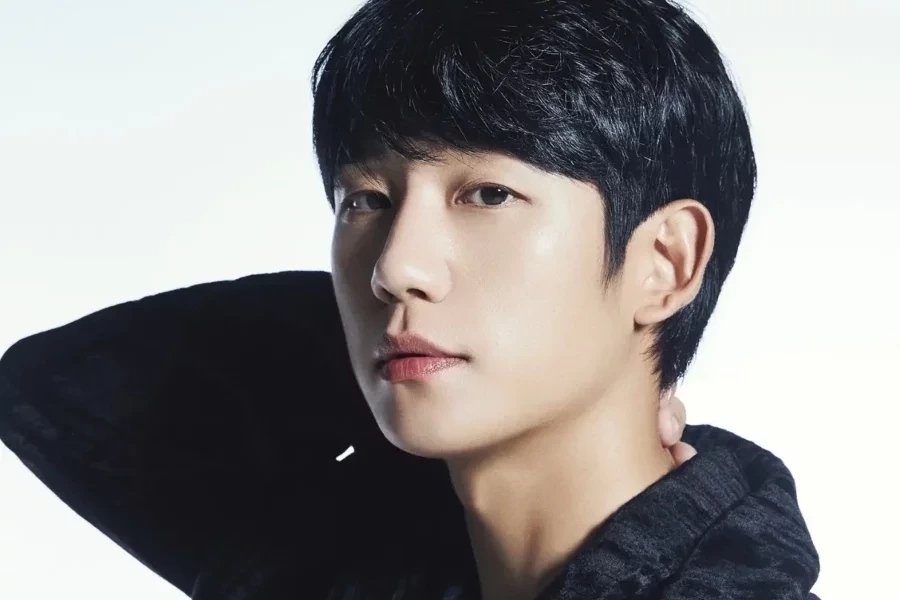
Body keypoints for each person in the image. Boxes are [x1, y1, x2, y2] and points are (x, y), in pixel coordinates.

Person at [0, 0, 821, 599]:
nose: (394, 267)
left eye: (488, 194)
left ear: (665, 262)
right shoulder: (364, 564)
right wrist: (397, 361)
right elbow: (54, 396)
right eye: (367, 200)